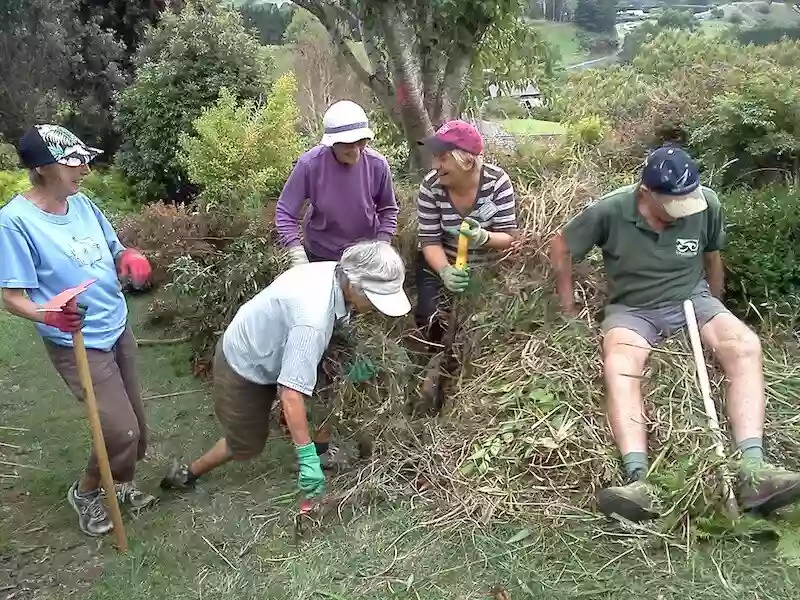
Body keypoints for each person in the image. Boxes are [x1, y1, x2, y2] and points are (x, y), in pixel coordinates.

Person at [549, 145, 800, 522]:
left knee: (745, 345)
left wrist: (716, 306)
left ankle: (754, 470)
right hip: (633, 310)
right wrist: (568, 310)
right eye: (674, 203)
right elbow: (562, 246)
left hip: (692, 300)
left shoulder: (706, 204)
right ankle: (639, 481)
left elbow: (713, 257)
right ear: (646, 193)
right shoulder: (610, 210)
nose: (684, 209)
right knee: (620, 364)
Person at [159, 241, 411, 499]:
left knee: (332, 380)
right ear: (355, 284)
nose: (375, 306)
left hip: (276, 346)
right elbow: (290, 394)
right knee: (246, 443)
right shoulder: (312, 320)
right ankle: (187, 474)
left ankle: (322, 450)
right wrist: (305, 458)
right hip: (245, 361)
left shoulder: (335, 273)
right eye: (373, 298)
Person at [0, 124, 156, 537]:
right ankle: (86, 492)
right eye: (73, 161)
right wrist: (50, 315)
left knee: (137, 427)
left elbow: (114, 247)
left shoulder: (83, 204)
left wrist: (129, 256)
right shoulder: (14, 222)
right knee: (119, 429)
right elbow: (13, 297)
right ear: (43, 168)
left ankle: (119, 484)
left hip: (116, 325)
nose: (85, 168)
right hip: (77, 340)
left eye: (85, 159)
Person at [414, 119, 519, 345]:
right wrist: (445, 271)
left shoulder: (496, 182)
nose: (435, 165)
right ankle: (435, 352)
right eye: (434, 157)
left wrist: (484, 237)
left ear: (467, 160)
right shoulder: (430, 187)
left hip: (485, 267)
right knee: (429, 315)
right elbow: (429, 241)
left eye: (443, 158)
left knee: (487, 325)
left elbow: (509, 237)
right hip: (441, 261)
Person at [275, 100, 399, 266]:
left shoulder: (377, 164)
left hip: (364, 254)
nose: (355, 151)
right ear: (332, 144)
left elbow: (388, 209)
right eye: (348, 144)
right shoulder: (310, 164)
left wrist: (383, 243)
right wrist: (295, 251)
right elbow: (285, 211)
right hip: (320, 253)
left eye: (361, 142)